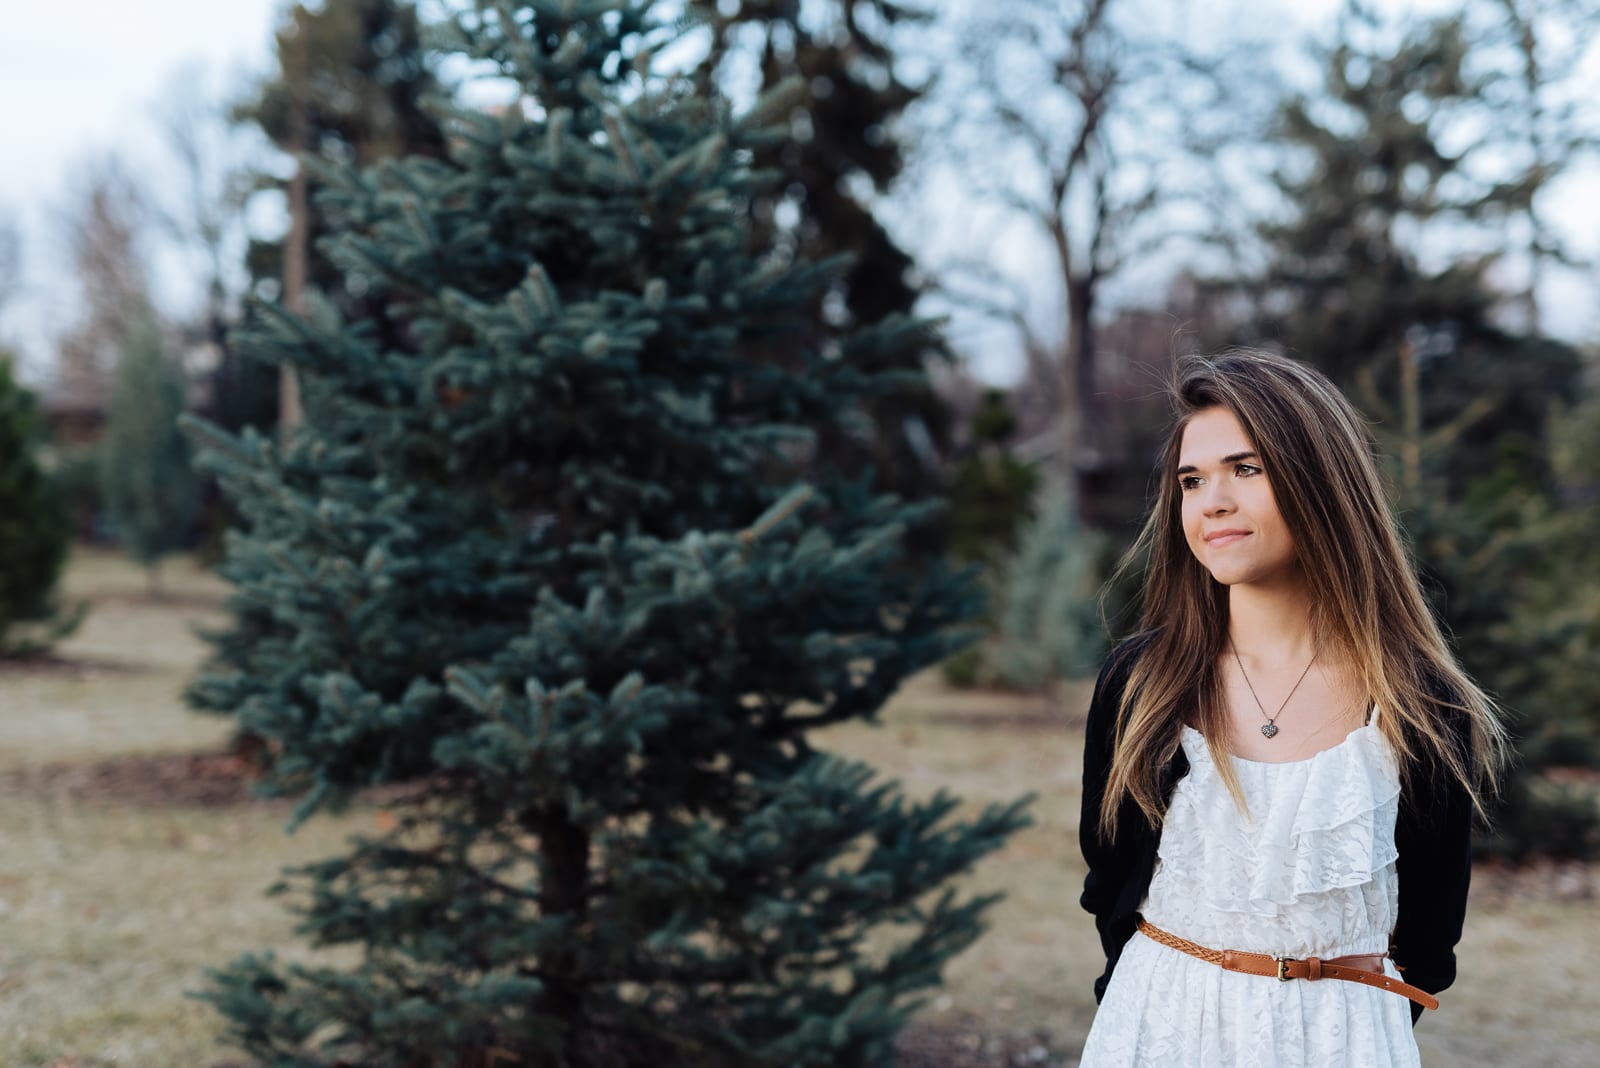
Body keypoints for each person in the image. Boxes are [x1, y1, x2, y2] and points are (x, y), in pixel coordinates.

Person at [1076, 349, 1509, 1066]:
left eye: (1246, 469)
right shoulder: (1142, 683)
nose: (1213, 500)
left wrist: (1339, 1025)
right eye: (1192, 480)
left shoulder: (1419, 704)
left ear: (1320, 482)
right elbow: (1112, 884)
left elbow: (1429, 939)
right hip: (1159, 1031)